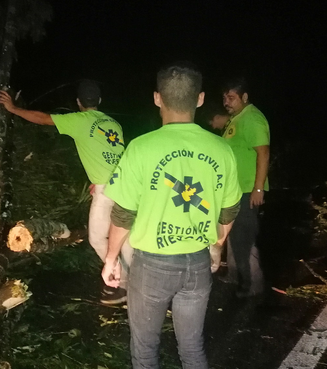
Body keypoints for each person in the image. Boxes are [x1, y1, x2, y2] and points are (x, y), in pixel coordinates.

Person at [101, 62, 241, 369]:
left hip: (152, 266)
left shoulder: (141, 148)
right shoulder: (222, 149)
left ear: (157, 98)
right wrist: (217, 242)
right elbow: (230, 208)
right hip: (197, 263)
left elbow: (123, 213)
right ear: (201, 99)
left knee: (145, 349)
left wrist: (111, 259)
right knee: (192, 348)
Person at [0, 80, 132, 305]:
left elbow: (43, 118)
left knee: (98, 238)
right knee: (125, 237)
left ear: (79, 103)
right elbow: (117, 154)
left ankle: (122, 284)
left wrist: (13, 109)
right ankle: (135, 284)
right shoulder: (113, 123)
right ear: (99, 101)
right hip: (125, 183)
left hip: (108, 189)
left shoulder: (79, 120)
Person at [221, 77, 270, 298]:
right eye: (224, 97)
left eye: (231, 97)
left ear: (245, 97)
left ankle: (252, 284)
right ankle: (235, 276)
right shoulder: (238, 119)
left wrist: (258, 188)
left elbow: (263, 152)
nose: (226, 102)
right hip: (234, 189)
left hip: (247, 190)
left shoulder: (252, 119)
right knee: (233, 235)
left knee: (245, 238)